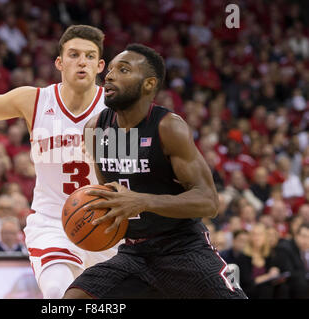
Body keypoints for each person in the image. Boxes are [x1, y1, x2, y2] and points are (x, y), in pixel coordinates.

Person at [0, 25, 117, 298]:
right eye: (73, 55)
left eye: (90, 56)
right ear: (59, 62)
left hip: (109, 224)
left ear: (100, 65)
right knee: (58, 292)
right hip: (54, 222)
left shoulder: (118, 106)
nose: (82, 61)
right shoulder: (35, 99)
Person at [63, 44, 247, 299]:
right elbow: (109, 194)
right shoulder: (96, 129)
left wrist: (142, 201)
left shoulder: (169, 127)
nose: (110, 75)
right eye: (111, 69)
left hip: (182, 248)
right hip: (134, 254)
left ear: (149, 84)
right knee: (74, 299)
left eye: (123, 70)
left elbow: (209, 201)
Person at [272, 223, 309, 298]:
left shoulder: (303, 250)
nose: (306, 241)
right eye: (304, 236)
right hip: (286, 286)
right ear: (296, 235)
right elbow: (289, 272)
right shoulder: (285, 248)